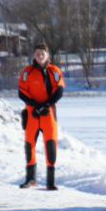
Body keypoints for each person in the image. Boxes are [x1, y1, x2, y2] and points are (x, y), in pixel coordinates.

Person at [17, 43, 65, 190]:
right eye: (37, 53)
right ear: (34, 55)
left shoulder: (54, 71)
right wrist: (35, 105)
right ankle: (31, 179)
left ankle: (50, 182)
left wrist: (46, 105)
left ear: (47, 55)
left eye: (42, 53)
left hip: (48, 114)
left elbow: (59, 90)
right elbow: (21, 92)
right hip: (32, 113)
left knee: (50, 145)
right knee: (29, 145)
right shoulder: (27, 72)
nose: (40, 55)